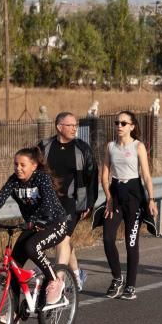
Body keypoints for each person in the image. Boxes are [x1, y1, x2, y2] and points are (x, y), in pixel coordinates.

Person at [0, 147, 69, 305]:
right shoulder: (14, 181)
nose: (18, 168)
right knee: (14, 267)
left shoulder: (42, 178)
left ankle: (55, 280)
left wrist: (40, 220)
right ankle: (14, 314)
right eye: (15, 164)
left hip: (54, 223)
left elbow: (47, 203)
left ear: (34, 166)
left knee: (32, 247)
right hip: (31, 225)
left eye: (22, 165)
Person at [99, 111, 158, 301]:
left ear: (132, 126)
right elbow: (105, 174)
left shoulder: (138, 146)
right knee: (108, 238)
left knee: (131, 243)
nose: (119, 126)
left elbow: (146, 175)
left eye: (124, 123)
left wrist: (151, 199)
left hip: (134, 196)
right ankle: (117, 278)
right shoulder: (110, 146)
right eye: (117, 122)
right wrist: (108, 197)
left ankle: (130, 285)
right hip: (116, 195)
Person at [38, 112, 98, 291]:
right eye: (70, 125)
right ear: (59, 127)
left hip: (72, 202)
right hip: (49, 202)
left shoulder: (82, 149)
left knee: (62, 238)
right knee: (64, 240)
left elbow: (92, 177)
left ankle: (58, 282)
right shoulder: (45, 146)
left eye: (75, 125)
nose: (74, 129)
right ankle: (77, 273)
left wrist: (89, 203)